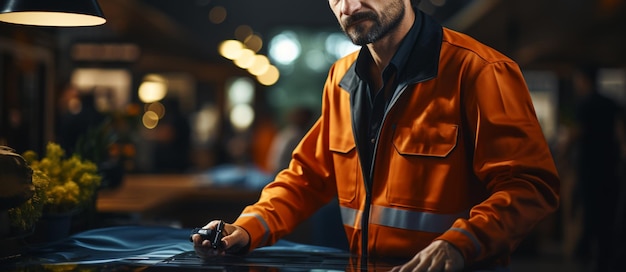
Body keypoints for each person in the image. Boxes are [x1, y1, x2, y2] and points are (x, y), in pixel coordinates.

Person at [193, 0, 560, 270]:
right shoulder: (341, 80)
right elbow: (306, 178)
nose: (349, 6)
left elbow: (530, 185)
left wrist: (461, 244)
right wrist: (244, 229)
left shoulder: (478, 71)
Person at [570, 66, 625, 272]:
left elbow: (578, 133)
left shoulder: (584, 104)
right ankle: (604, 256)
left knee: (590, 209)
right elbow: (620, 129)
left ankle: (587, 252)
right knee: (608, 212)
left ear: (583, 79)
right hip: (610, 165)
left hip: (589, 166)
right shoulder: (611, 103)